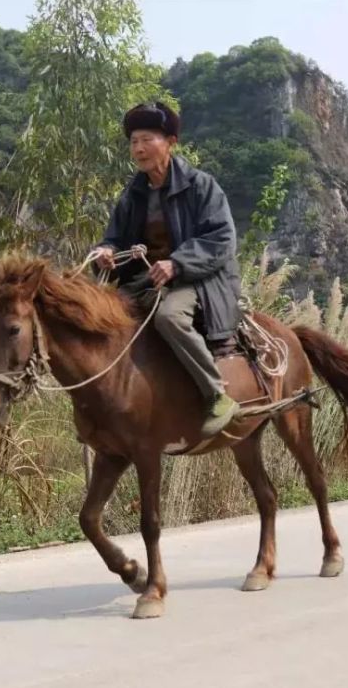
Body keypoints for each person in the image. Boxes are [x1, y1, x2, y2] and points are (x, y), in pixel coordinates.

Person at [96, 101, 242, 437]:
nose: (139, 148)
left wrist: (178, 263)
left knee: (169, 317)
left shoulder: (201, 186)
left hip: (199, 279)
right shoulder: (133, 195)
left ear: (171, 142)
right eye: (134, 141)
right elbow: (114, 238)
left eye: (147, 139)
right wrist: (105, 252)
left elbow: (221, 238)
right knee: (99, 318)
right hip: (146, 280)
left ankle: (216, 394)